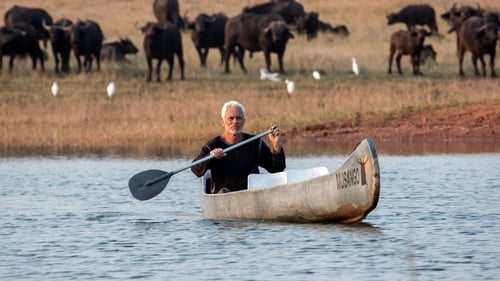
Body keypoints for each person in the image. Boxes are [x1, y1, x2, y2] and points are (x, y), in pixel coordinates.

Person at [191, 101, 286, 194]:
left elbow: (276, 169)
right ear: (223, 122)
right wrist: (210, 157)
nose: (235, 122)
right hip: (223, 195)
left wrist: (276, 145)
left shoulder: (255, 143)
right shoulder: (213, 145)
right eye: (230, 118)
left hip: (250, 194)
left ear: (244, 121)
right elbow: (195, 169)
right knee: (224, 191)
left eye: (239, 118)